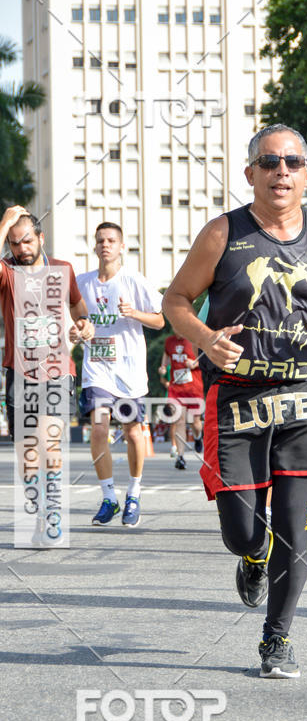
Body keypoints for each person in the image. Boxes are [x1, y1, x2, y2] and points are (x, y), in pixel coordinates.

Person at [163, 123, 307, 678]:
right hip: (237, 399)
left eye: (291, 162)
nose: (280, 171)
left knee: (293, 525)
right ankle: (252, 553)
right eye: (268, 162)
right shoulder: (222, 233)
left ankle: (277, 638)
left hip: (306, 396)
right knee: (241, 530)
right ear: (250, 174)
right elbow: (176, 301)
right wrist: (205, 337)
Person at [0, 206, 94, 545]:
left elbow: (79, 309)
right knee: (27, 453)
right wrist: (5, 222)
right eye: (13, 243)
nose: (21, 249)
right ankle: (38, 508)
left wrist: (84, 325)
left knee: (49, 441)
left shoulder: (63, 269)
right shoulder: (8, 272)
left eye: (27, 241)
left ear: (41, 238)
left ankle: (52, 512)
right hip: (19, 371)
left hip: (57, 370)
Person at [77, 222, 164, 527]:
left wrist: (134, 313)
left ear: (122, 246)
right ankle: (108, 498)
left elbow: (160, 320)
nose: (105, 245)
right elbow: (74, 319)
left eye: (111, 240)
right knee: (99, 429)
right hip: (97, 368)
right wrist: (78, 330)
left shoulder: (133, 280)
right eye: (101, 240)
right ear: (94, 245)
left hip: (128, 371)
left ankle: (134, 494)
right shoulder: (82, 282)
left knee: (132, 432)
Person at [158, 334, 204, 468]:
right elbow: (166, 358)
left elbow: (208, 359)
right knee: (179, 421)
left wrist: (195, 364)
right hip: (176, 389)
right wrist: (162, 367)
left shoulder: (195, 338)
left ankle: (198, 437)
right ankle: (180, 457)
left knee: (195, 422)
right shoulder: (169, 341)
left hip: (194, 388)